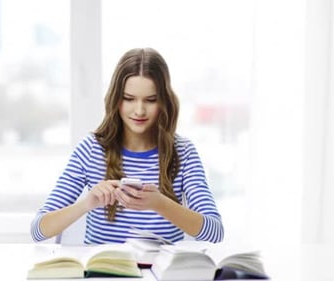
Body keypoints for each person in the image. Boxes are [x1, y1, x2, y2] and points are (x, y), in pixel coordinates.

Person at [31, 48, 224, 244]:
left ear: (164, 102)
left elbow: (215, 232)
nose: (139, 110)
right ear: (116, 99)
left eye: (150, 100)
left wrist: (160, 204)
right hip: (105, 273)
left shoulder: (183, 152)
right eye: (129, 99)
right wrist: (87, 203)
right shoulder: (91, 150)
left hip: (160, 273)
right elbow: (38, 230)